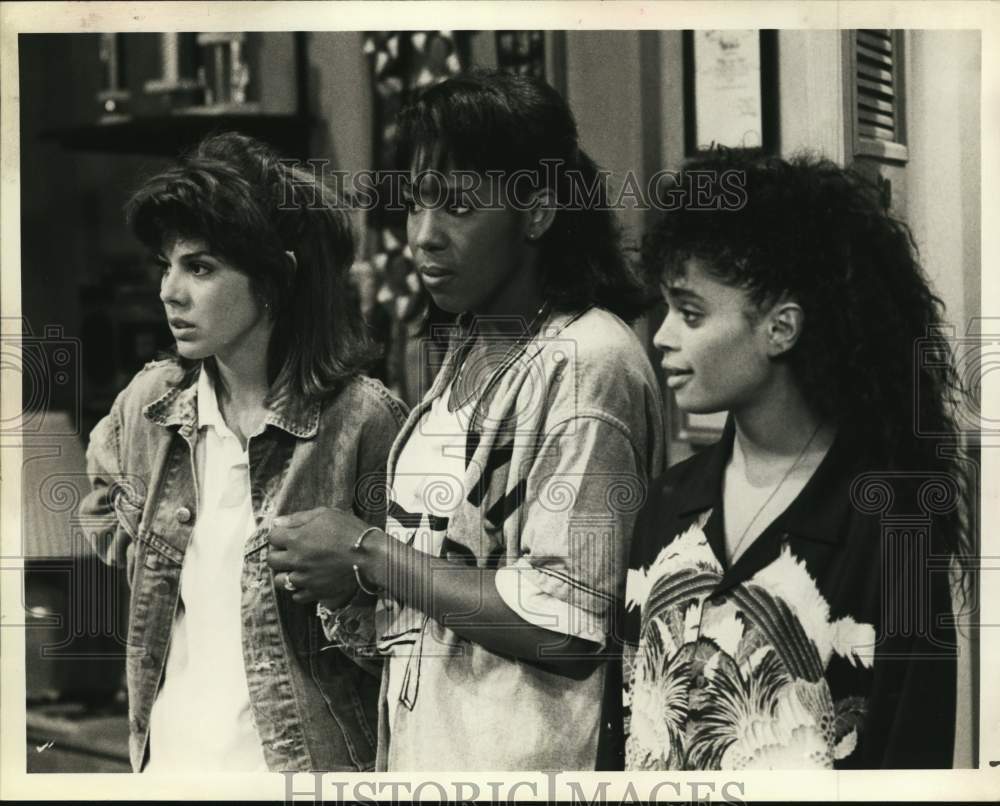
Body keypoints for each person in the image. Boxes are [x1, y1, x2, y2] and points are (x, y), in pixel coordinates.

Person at [265, 70, 665, 771]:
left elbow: (569, 622)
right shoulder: (467, 345)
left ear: (536, 213)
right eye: (417, 205)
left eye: (456, 208)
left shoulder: (588, 358)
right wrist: (350, 581)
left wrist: (369, 554)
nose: (424, 237)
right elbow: (439, 593)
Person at [619, 151, 972, 770]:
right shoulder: (667, 506)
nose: (663, 336)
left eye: (691, 312)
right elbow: (617, 735)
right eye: (666, 309)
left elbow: (911, 757)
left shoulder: (889, 524)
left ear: (782, 328)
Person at [80, 132, 408, 772]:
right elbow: (107, 505)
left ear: (277, 278)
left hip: (297, 772)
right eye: (165, 265)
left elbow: (403, 645)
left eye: (200, 268)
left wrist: (349, 587)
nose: (170, 291)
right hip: (169, 763)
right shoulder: (150, 404)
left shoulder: (361, 421)